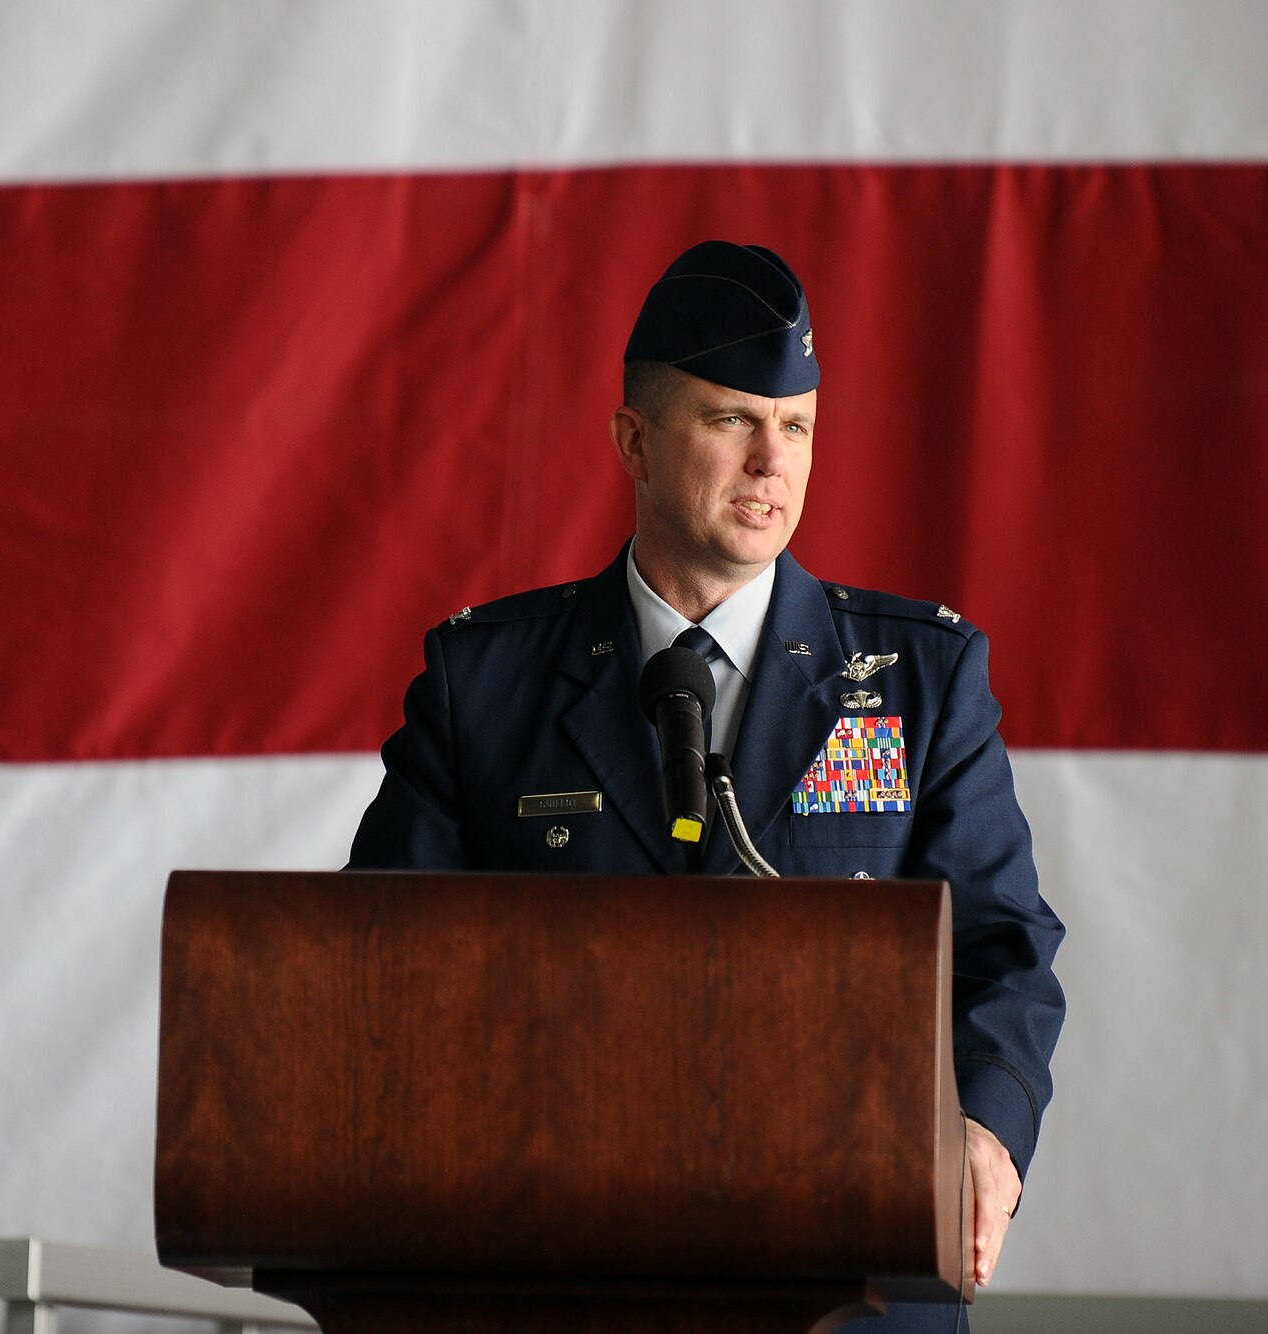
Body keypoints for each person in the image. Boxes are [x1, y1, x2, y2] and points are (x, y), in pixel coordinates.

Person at [347, 240, 1065, 1332]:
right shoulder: (482, 681)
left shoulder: (919, 676)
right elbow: (381, 969)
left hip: (850, 1279)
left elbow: (1002, 946)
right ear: (634, 440)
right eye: (731, 420)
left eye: (796, 426)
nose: (770, 462)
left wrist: (986, 1131)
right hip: (558, 1277)